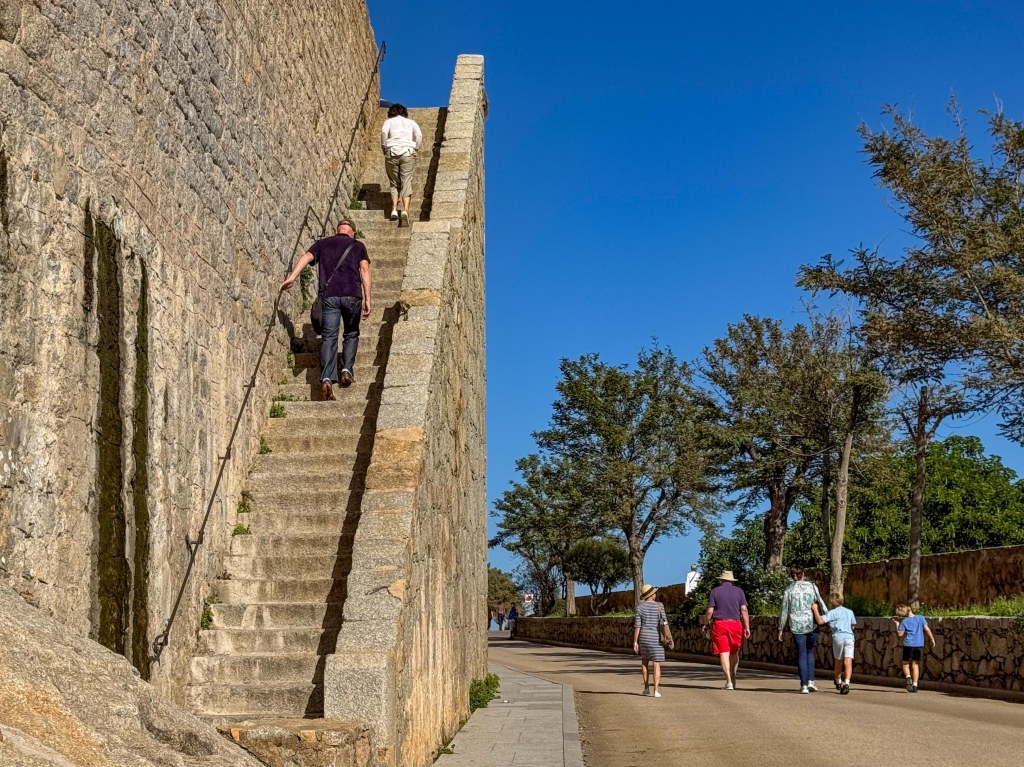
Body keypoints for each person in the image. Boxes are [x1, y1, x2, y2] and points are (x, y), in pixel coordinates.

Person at [281, 219, 371, 399]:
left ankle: (327, 377)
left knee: (329, 336)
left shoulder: (323, 243)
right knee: (351, 333)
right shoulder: (358, 245)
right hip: (352, 296)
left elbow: (306, 256)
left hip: (329, 297)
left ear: (337, 230)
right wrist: (368, 298)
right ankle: (346, 369)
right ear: (352, 232)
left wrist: (292, 277)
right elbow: (364, 269)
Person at [778, 566, 828, 693]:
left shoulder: (788, 590)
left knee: (801, 653)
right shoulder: (812, 586)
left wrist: (781, 628)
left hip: (796, 625)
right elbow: (821, 602)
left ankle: (804, 685)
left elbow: (784, 610)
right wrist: (827, 617)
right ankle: (811, 681)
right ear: (803, 573)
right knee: (810, 652)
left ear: (792, 575)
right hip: (811, 624)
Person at [703, 570, 751, 690]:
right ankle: (733, 677)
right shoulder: (739, 591)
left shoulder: (715, 591)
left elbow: (709, 611)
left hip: (720, 625)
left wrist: (705, 623)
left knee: (724, 652)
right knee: (734, 652)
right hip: (735, 624)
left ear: (721, 580)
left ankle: (728, 681)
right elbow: (744, 610)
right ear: (732, 581)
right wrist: (747, 627)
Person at [380, 104, 423, 225]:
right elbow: (419, 135)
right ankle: (405, 210)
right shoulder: (411, 122)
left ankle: (394, 209)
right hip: (408, 152)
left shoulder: (389, 121)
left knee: (394, 182)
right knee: (406, 181)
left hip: (392, 151)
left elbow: (384, 132)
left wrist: (384, 146)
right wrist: (416, 148)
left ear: (391, 112)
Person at [811, 592, 857, 695]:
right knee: (848, 661)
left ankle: (838, 680)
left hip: (838, 638)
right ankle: (847, 683)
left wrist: (815, 609)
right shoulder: (849, 612)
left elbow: (820, 621)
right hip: (849, 637)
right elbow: (853, 625)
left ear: (831, 602)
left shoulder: (832, 613)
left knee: (838, 661)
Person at [632, 583, 669, 697]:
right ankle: (656, 690)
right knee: (656, 663)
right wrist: (668, 637)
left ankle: (646, 687)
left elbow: (637, 626)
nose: (655, 595)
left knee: (644, 662)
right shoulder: (659, 606)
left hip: (644, 637)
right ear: (652, 595)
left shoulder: (639, 608)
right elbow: (664, 622)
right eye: (654, 593)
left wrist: (635, 641)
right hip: (656, 638)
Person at [893, 603, 935, 692]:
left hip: (908, 645)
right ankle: (915, 685)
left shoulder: (904, 622)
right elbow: (927, 629)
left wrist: (897, 624)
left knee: (905, 664)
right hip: (918, 645)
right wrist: (932, 639)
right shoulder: (921, 618)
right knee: (915, 665)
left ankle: (908, 678)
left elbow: (900, 634)